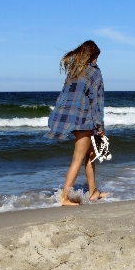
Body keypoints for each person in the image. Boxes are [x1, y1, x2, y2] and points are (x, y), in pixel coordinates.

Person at [47, 40, 109, 206]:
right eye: (96, 56)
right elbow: (97, 102)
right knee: (78, 158)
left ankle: (93, 191)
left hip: (74, 119)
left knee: (91, 155)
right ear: (92, 55)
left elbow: (64, 97)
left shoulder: (75, 72)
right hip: (86, 120)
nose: (97, 59)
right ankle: (65, 197)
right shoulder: (94, 72)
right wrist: (100, 126)